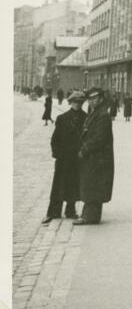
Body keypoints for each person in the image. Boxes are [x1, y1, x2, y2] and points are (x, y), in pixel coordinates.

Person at [42, 90, 86, 223]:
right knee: (58, 185)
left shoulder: (86, 118)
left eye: (80, 102)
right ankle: (53, 212)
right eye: (75, 102)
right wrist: (57, 154)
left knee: (73, 183)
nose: (77, 105)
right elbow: (55, 139)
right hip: (63, 157)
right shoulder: (62, 118)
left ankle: (70, 210)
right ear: (70, 103)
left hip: (77, 157)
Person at [74, 87, 115, 225]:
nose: (91, 102)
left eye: (95, 99)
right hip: (94, 157)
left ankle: (89, 217)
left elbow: (99, 138)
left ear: (101, 99)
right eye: (90, 99)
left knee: (93, 186)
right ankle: (90, 215)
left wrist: (84, 149)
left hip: (98, 158)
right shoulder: (96, 112)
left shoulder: (103, 115)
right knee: (91, 185)